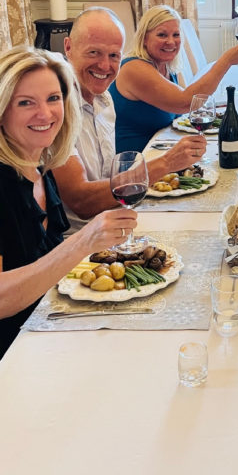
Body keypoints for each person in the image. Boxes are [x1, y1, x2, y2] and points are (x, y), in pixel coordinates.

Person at [0, 46, 137, 360]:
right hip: (13, 356)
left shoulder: (39, 167)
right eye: (25, 103)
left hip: (48, 325)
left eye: (53, 98)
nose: (46, 114)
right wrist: (83, 242)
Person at [53, 7, 207, 232]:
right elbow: (82, 202)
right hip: (83, 238)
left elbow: (108, 178)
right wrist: (165, 164)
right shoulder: (57, 109)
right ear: (68, 47)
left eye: (114, 55)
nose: (105, 66)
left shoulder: (104, 99)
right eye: (93, 53)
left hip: (116, 215)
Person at [109, 5, 238, 153]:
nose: (170, 41)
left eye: (176, 35)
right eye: (162, 35)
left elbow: (184, 107)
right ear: (144, 38)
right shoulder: (134, 69)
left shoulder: (165, 67)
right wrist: (225, 61)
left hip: (161, 151)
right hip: (136, 163)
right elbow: (185, 102)